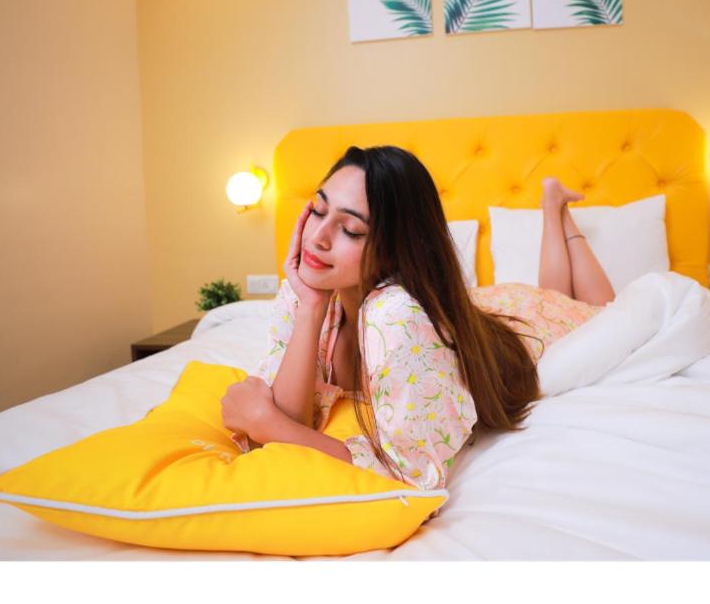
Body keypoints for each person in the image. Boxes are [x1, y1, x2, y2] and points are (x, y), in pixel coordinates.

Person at [220, 146, 614, 492]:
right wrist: (310, 307)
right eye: (318, 210)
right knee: (555, 290)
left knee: (596, 306)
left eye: (351, 230)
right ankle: (553, 208)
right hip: (480, 308)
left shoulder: (397, 318)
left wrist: (264, 420)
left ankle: (555, 210)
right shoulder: (305, 290)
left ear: (394, 249)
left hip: (523, 319)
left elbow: (409, 476)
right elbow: (293, 420)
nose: (318, 238)